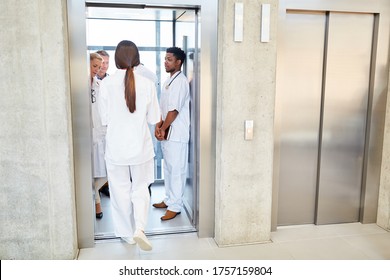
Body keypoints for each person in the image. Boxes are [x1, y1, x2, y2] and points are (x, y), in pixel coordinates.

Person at [98, 40, 160, 251]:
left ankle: (127, 235)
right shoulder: (147, 84)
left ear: (116, 60)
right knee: (141, 188)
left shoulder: (105, 84)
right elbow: (154, 119)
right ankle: (140, 228)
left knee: (120, 191)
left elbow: (104, 119)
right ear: (136, 59)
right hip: (141, 148)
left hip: (116, 150)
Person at [153, 47, 190, 221]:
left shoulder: (181, 81)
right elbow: (163, 108)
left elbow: (174, 110)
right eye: (165, 59)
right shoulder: (169, 81)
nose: (165, 62)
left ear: (178, 62)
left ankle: (175, 206)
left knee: (177, 171)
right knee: (168, 169)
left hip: (177, 134)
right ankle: (169, 200)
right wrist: (159, 126)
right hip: (168, 133)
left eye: (169, 59)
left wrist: (162, 128)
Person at [89, 52, 107, 219]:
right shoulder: (81, 85)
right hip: (85, 133)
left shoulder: (99, 85)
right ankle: (96, 203)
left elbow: (102, 111)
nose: (97, 70)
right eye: (94, 66)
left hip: (99, 133)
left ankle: (95, 197)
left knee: (103, 173)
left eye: (99, 67)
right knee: (88, 171)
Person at [95, 50, 110, 198]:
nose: (104, 66)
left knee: (106, 158)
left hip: (108, 127)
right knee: (96, 159)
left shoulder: (111, 82)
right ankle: (96, 189)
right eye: (102, 63)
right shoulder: (90, 80)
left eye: (107, 63)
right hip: (95, 126)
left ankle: (105, 186)